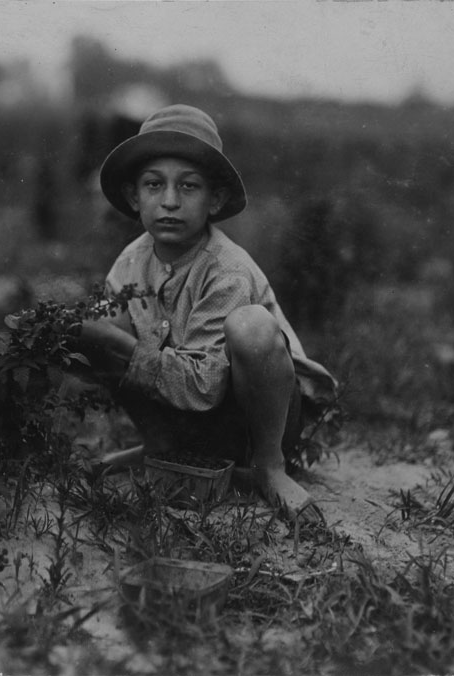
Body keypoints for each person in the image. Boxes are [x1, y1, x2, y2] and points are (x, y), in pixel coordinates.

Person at [77, 104, 338, 522]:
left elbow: (203, 389)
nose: (169, 202)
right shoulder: (129, 262)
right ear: (133, 196)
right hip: (184, 420)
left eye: (189, 187)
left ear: (215, 199)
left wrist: (113, 341)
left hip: (252, 421)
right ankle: (159, 446)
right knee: (93, 325)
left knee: (251, 327)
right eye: (153, 184)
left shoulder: (225, 269)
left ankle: (270, 469)